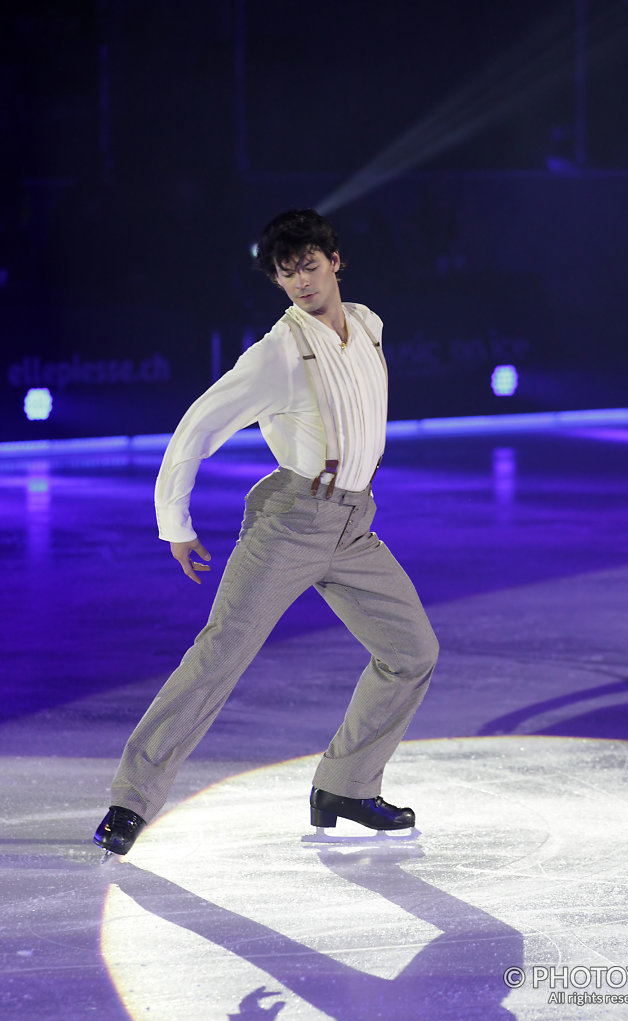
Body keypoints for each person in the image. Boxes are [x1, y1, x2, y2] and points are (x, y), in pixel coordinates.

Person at [94, 209, 439, 857]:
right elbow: (196, 426)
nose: (300, 282)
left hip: (355, 522)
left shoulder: (366, 325)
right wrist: (176, 524)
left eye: (307, 265)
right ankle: (130, 800)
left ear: (334, 261)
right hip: (291, 521)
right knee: (220, 655)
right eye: (285, 274)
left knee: (411, 652)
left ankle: (345, 785)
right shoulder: (277, 354)